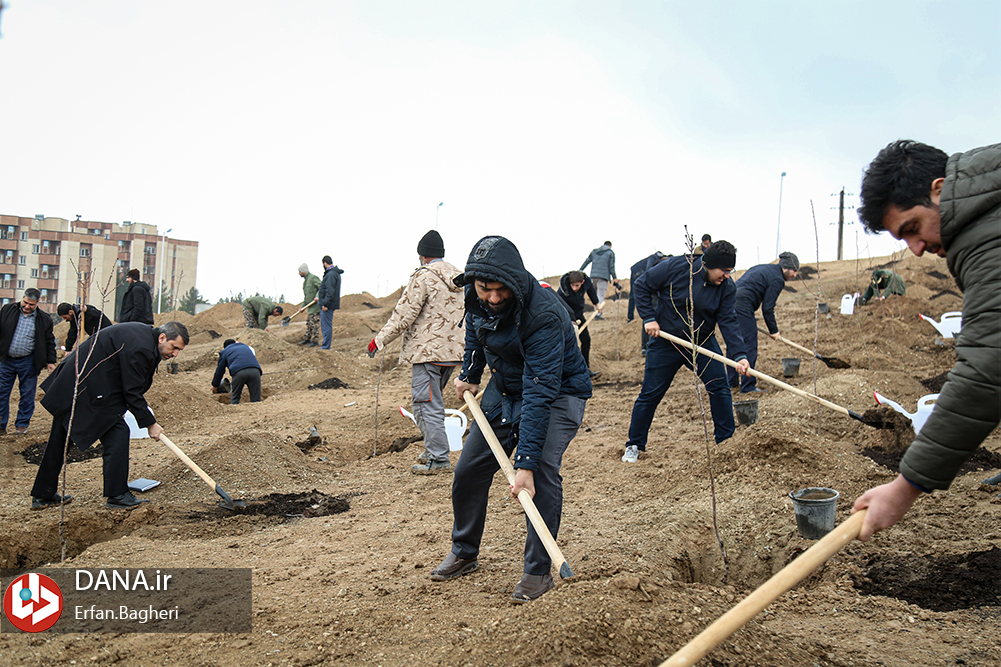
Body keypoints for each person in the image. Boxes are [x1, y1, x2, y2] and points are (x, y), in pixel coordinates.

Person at [852, 140, 1000, 542]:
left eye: (912, 228)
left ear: (939, 189)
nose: (916, 250)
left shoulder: (985, 237)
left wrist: (905, 487)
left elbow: (988, 366)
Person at [430, 235, 591, 603]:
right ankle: (464, 551)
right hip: (505, 389)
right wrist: (470, 373)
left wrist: (526, 463)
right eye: (485, 289)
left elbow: (540, 392)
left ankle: (537, 571)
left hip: (557, 392)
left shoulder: (544, 315)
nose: (492, 297)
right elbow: (476, 330)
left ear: (514, 282)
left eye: (500, 290)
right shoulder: (476, 295)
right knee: (469, 469)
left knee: (541, 471)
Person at [30, 321, 189, 510]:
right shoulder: (142, 347)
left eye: (179, 350)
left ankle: (43, 494)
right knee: (117, 435)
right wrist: (150, 423)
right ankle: (117, 495)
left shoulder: (143, 337)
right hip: (84, 389)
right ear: (162, 338)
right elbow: (132, 391)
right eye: (174, 347)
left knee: (60, 440)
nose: (175, 354)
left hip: (76, 385)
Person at [623, 241, 751, 463]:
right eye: (724, 270)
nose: (727, 276)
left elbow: (728, 321)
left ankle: (725, 443)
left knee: (719, 387)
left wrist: (740, 355)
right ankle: (634, 444)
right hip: (667, 342)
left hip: (702, 342)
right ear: (709, 264)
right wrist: (649, 318)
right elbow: (641, 284)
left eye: (731, 271)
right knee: (651, 393)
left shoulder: (727, 287)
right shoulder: (675, 267)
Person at [368, 230, 465, 474]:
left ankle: (438, 458)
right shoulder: (459, 277)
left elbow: (404, 314)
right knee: (431, 403)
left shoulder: (423, 276)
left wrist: (379, 340)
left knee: (425, 405)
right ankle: (433, 449)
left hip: (427, 352)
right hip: (452, 353)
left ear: (422, 255)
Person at [726, 252, 800, 393]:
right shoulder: (778, 279)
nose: (795, 275)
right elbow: (767, 308)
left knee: (734, 342)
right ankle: (748, 386)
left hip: (729, 302)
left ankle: (732, 383)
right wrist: (774, 331)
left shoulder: (763, 268)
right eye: (794, 271)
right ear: (785, 268)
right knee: (749, 345)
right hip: (743, 306)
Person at [0, 288, 56, 435]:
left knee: (27, 394)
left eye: (31, 304)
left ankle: (22, 425)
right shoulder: (7, 310)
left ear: (37, 302)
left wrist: (50, 361)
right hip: (6, 360)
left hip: (29, 361)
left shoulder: (44, 319)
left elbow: (49, 341)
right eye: (25, 302)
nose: (27, 306)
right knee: (1, 392)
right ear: (22, 298)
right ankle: (1, 425)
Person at [555, 270, 602, 377]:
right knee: (570, 343)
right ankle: (566, 371)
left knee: (586, 340)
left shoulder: (587, 283)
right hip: (566, 316)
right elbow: (558, 304)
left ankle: (585, 369)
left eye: (577, 285)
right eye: (572, 285)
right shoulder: (563, 289)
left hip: (578, 314)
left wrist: (596, 303)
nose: (574, 288)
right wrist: (569, 320)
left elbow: (591, 291)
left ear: (582, 282)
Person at [627, 251, 670, 354]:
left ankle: (647, 346)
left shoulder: (662, 264)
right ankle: (646, 346)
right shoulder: (654, 262)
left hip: (653, 287)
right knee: (651, 318)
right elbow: (643, 283)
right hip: (651, 288)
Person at [211, 339, 262, 404]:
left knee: (235, 397)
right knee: (256, 399)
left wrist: (215, 385)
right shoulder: (245, 346)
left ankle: (234, 407)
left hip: (239, 373)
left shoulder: (225, 351)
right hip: (255, 371)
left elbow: (220, 371)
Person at [579, 241, 620, 316]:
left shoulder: (595, 252)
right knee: (600, 295)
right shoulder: (610, 253)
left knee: (594, 295)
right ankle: (598, 314)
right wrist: (614, 277)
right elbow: (611, 267)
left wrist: (579, 271)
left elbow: (587, 261)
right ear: (610, 246)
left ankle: (596, 312)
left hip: (593, 277)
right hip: (603, 277)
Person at [318, 256, 344, 350]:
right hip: (329, 304)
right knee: (326, 325)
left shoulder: (331, 274)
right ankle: (326, 345)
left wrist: (325, 304)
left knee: (326, 326)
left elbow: (330, 291)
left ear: (325, 263)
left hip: (328, 305)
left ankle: (326, 346)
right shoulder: (333, 273)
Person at [295, 263, 322, 347]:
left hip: (316, 307)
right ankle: (307, 339)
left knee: (314, 324)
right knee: (309, 324)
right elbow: (307, 297)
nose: (299, 273)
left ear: (303, 271)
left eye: (300, 271)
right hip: (310, 307)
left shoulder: (313, 278)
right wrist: (302, 306)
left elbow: (321, 287)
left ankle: (314, 341)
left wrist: (317, 296)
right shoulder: (305, 282)